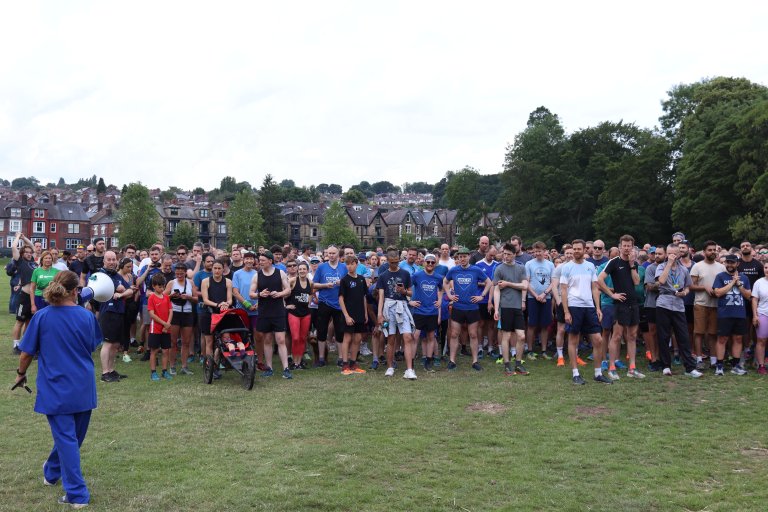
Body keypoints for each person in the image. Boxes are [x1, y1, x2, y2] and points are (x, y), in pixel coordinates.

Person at [14, 271, 102, 508]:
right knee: (70, 439)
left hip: (57, 387)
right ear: (75, 291)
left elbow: (26, 353)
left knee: (68, 439)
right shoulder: (87, 316)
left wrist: (21, 374)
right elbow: (93, 345)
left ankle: (54, 473)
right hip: (81, 386)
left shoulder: (42, 317)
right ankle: (75, 492)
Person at [559, 239, 611, 385]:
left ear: (584, 250)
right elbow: (563, 290)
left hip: (589, 307)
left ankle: (598, 373)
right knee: (573, 340)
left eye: (578, 249)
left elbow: (595, 288)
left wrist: (598, 307)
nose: (576, 251)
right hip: (574, 306)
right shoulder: (567, 267)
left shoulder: (590, 267)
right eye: (574, 249)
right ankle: (575, 374)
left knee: (598, 340)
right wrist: (566, 311)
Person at [597, 234, 644, 379]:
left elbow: (636, 282)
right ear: (620, 246)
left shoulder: (633, 263)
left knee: (632, 336)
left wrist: (631, 265)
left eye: (629, 245)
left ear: (632, 247)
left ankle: (632, 368)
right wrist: (612, 295)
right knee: (616, 336)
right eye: (624, 245)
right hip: (619, 304)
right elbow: (600, 279)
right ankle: (611, 368)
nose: (626, 248)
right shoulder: (614, 262)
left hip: (633, 304)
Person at [654, 243, 702, 378]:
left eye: (674, 253)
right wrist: (668, 264)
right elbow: (661, 281)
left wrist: (685, 293)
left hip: (679, 305)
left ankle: (690, 368)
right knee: (664, 336)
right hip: (664, 303)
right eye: (669, 253)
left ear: (679, 254)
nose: (671, 256)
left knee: (683, 336)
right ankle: (666, 366)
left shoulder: (684, 270)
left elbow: (688, 286)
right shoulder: (661, 266)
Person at [443, 246, 493, 371]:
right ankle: (452, 360)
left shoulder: (475, 270)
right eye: (460, 257)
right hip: (458, 307)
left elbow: (489, 282)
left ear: (469, 257)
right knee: (454, 334)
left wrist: (482, 296)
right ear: (458, 258)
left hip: (472, 307)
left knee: (473, 334)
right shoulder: (454, 270)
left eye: (465, 256)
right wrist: (449, 295)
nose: (462, 259)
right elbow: (445, 282)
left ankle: (475, 361)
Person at [249, 250, 292, 379]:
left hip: (278, 311)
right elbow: (251, 293)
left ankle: (286, 368)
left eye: (262, 260)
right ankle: (269, 368)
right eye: (259, 260)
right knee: (267, 340)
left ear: (270, 261)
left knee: (280, 340)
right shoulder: (257, 275)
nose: (260, 262)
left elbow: (288, 290)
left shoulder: (280, 273)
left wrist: (279, 294)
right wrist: (259, 294)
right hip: (264, 311)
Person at [377, 246, 417, 379]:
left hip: (402, 306)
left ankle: (409, 369)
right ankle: (389, 367)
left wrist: (404, 291)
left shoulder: (405, 274)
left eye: (396, 261)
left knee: (407, 337)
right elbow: (381, 296)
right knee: (391, 338)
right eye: (392, 262)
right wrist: (380, 314)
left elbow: (411, 293)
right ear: (387, 261)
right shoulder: (383, 276)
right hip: (389, 307)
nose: (394, 264)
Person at [712, 254, 752, 376]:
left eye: (732, 263)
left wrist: (739, 284)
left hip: (740, 313)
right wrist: (732, 283)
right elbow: (717, 293)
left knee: (738, 339)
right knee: (722, 339)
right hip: (724, 313)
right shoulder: (720, 276)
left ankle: (735, 365)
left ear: (737, 264)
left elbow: (748, 295)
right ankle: (719, 365)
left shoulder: (744, 278)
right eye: (727, 262)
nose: (729, 265)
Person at [493, 243, 529, 376]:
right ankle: (507, 365)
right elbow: (496, 290)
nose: (506, 256)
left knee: (521, 336)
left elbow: (525, 286)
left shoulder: (521, 268)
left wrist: (508, 284)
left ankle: (518, 364)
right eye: (504, 254)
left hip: (517, 307)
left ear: (514, 254)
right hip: (505, 306)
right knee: (506, 336)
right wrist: (497, 309)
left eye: (509, 254)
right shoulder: (499, 269)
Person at [97, 251, 133, 383]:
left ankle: (111, 370)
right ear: (104, 261)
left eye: (113, 259)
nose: (112, 262)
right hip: (108, 312)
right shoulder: (101, 275)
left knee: (116, 343)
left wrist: (121, 294)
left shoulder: (117, 275)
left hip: (119, 311)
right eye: (109, 259)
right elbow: (119, 287)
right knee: (108, 343)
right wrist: (120, 289)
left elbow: (129, 290)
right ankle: (105, 373)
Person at [690, 241, 726, 368]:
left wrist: (718, 290)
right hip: (701, 303)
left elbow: (725, 285)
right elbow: (690, 286)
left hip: (716, 304)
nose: (712, 252)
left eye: (714, 250)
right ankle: (699, 359)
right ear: (704, 252)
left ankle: (713, 360)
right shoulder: (697, 266)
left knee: (713, 333)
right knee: (699, 332)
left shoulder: (721, 267)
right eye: (710, 250)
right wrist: (704, 287)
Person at [312, 246, 347, 366]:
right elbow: (314, 284)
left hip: (339, 303)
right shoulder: (321, 267)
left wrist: (341, 283)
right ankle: (321, 358)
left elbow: (348, 283)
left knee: (340, 331)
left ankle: (341, 358)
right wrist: (325, 285)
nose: (331, 255)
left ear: (338, 254)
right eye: (329, 253)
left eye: (333, 253)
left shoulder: (343, 267)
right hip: (324, 302)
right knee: (321, 331)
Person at [410, 253, 443, 371]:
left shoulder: (438, 277)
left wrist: (439, 300)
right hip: (419, 311)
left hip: (432, 312)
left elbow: (441, 289)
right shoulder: (417, 275)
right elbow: (406, 287)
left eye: (432, 262)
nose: (430, 264)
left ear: (435, 264)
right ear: (424, 262)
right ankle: (411, 364)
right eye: (428, 262)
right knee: (415, 336)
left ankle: (428, 362)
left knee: (431, 336)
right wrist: (410, 301)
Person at [338, 255, 368, 375]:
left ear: (356, 264)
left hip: (360, 314)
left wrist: (365, 313)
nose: (349, 266)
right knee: (347, 338)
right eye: (347, 264)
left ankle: (353, 363)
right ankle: (345, 365)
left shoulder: (361, 279)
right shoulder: (344, 280)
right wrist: (346, 315)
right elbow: (341, 299)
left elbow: (364, 297)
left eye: (351, 264)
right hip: (349, 314)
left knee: (358, 339)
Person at [165, 263, 197, 375]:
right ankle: (172, 366)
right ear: (175, 273)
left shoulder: (190, 282)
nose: (179, 275)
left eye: (181, 273)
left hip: (187, 313)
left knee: (186, 342)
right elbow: (163, 297)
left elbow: (196, 298)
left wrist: (187, 297)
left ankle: (184, 366)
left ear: (185, 273)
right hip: (174, 312)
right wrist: (172, 296)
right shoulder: (171, 283)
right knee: (173, 342)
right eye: (177, 273)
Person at [525, 241, 554, 360]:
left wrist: (544, 293)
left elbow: (553, 282)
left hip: (546, 297)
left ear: (544, 251)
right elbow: (526, 281)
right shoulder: (529, 264)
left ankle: (543, 350)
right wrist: (536, 295)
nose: (537, 253)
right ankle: (530, 350)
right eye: (535, 251)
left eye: (539, 251)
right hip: (532, 298)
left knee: (544, 325)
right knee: (531, 324)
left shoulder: (550, 265)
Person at [10, 232, 38, 355]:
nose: (29, 253)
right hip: (24, 296)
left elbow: (31, 246)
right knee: (20, 321)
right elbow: (13, 247)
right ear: (22, 254)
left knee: (29, 322)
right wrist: (17, 237)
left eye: (30, 252)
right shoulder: (19, 261)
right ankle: (16, 344)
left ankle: (25, 343)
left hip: (34, 296)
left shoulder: (32, 261)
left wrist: (24, 237)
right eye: (26, 252)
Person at [286, 261, 313, 370]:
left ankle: (299, 361)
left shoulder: (310, 282)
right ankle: (294, 361)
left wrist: (309, 303)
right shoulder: (292, 281)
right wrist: (286, 305)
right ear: (298, 270)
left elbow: (310, 295)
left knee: (302, 338)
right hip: (294, 313)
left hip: (306, 314)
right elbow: (283, 293)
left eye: (304, 269)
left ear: (307, 270)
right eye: (300, 269)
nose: (302, 271)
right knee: (295, 338)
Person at [147, 273, 174, 381]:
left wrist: (167, 324)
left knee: (165, 350)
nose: (162, 288)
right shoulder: (151, 298)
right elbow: (152, 314)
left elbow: (170, 311)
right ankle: (153, 372)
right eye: (159, 286)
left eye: (163, 286)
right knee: (154, 350)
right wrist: (164, 323)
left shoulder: (167, 297)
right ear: (154, 286)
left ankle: (164, 371)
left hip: (166, 328)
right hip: (155, 328)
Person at [750, 261, 768, 375]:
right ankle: (761, 365)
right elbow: (754, 299)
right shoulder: (759, 282)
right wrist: (755, 315)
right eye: (766, 267)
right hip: (763, 313)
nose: (767, 270)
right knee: (761, 340)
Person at [29, 250, 59, 315]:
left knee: (51, 318)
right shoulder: (36, 271)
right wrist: (33, 305)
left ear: (52, 260)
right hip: (39, 297)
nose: (48, 260)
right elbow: (32, 288)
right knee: (39, 318)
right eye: (46, 258)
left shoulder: (57, 271)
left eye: (49, 258)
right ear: (42, 260)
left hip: (52, 298)